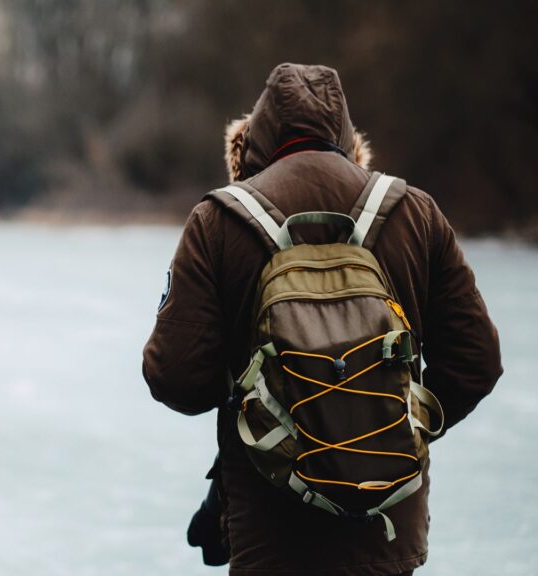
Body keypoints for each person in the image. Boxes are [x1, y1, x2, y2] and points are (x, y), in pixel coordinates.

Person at [142, 63, 502, 576]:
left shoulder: (219, 221)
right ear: (348, 135)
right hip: (385, 528)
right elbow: (477, 364)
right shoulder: (414, 212)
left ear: (254, 138)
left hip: (272, 533)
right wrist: (388, 427)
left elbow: (174, 376)